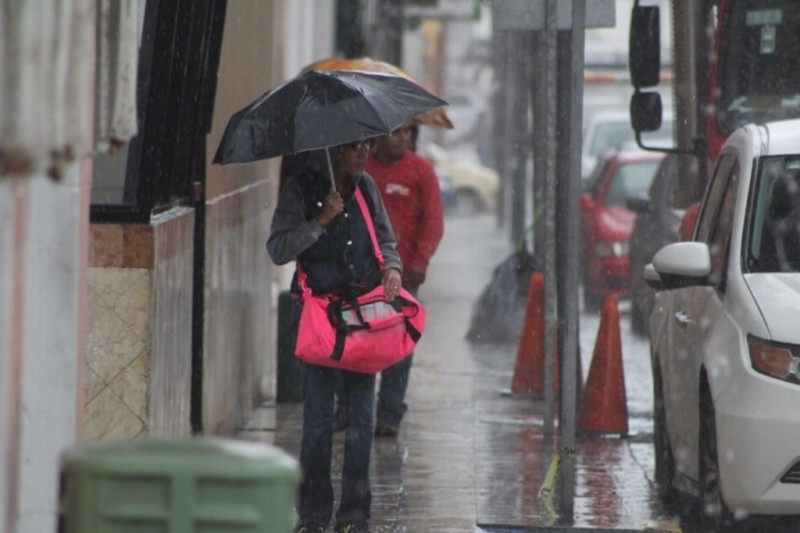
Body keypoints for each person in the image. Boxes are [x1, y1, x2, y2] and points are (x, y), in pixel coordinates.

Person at [267, 141, 403, 533]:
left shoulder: (367, 187)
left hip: (362, 317)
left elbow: (385, 241)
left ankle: (354, 514)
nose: (364, 154)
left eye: (367, 146)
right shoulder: (302, 188)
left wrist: (391, 268)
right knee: (318, 421)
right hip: (319, 319)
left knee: (362, 418)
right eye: (355, 148)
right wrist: (320, 221)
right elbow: (278, 249)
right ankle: (312, 512)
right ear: (334, 149)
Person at [364, 122, 444, 437]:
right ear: (378, 135)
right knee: (362, 341)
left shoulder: (421, 171)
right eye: (397, 132)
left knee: (399, 345)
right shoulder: (362, 167)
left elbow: (434, 221)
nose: (404, 138)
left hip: (405, 275)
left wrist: (422, 260)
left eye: (409, 132)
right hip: (364, 274)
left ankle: (390, 411)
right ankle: (355, 406)